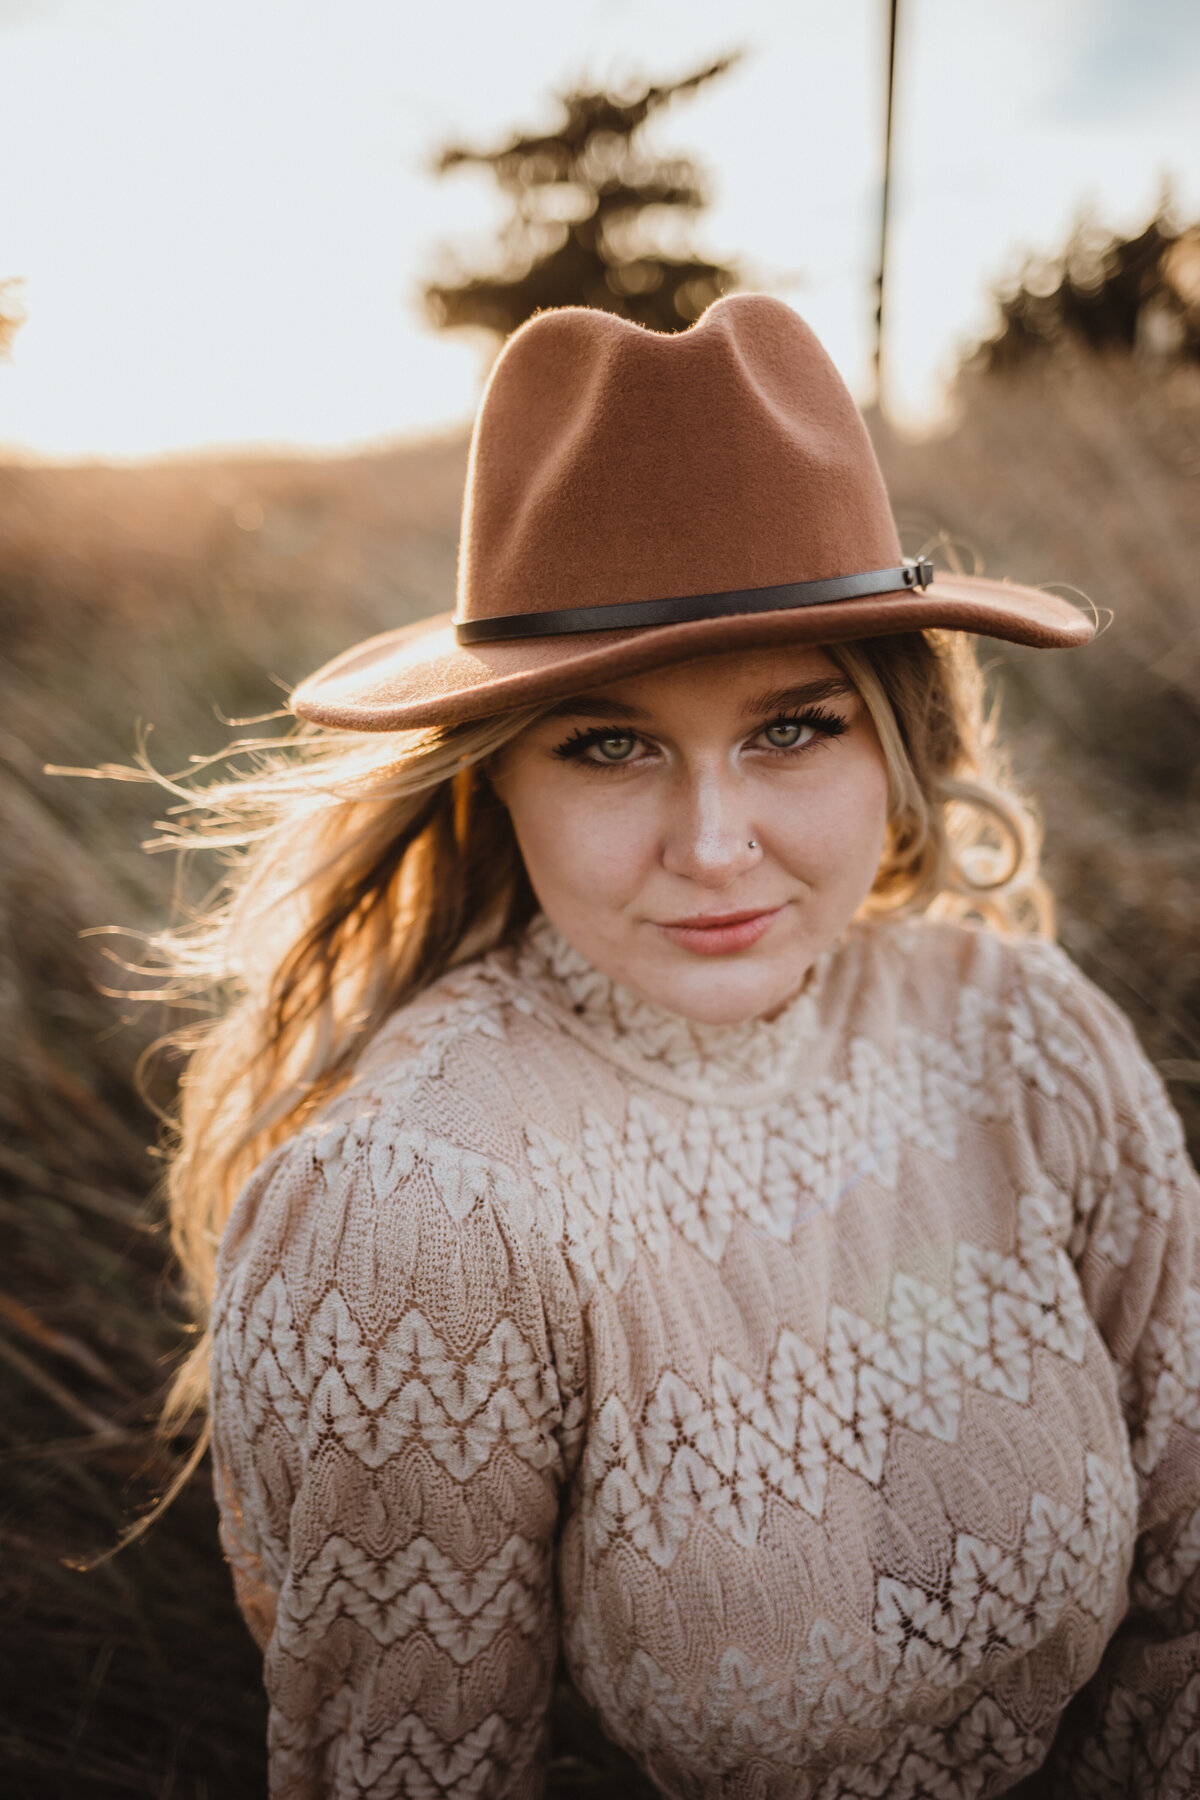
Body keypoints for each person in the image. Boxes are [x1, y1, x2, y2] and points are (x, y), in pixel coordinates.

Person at [164, 296, 1200, 1796]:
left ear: (900, 743)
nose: (717, 847)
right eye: (609, 744)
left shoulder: (1023, 1043)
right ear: (496, 776)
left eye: (795, 728)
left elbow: (1184, 1611)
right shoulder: (422, 1209)